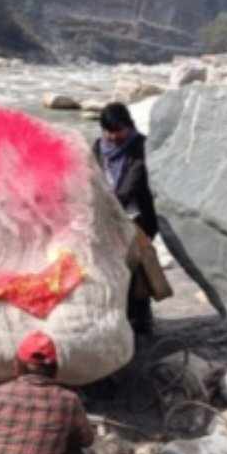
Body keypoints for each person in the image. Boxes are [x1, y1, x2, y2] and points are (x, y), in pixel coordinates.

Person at [93, 102, 159, 337]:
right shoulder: (99, 147)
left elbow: (134, 181)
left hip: (138, 218)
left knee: (136, 269)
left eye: (117, 131)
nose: (112, 136)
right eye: (108, 131)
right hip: (109, 217)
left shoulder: (142, 146)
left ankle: (141, 320)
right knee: (112, 268)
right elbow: (93, 176)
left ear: (129, 126)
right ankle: (120, 317)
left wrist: (109, 205)